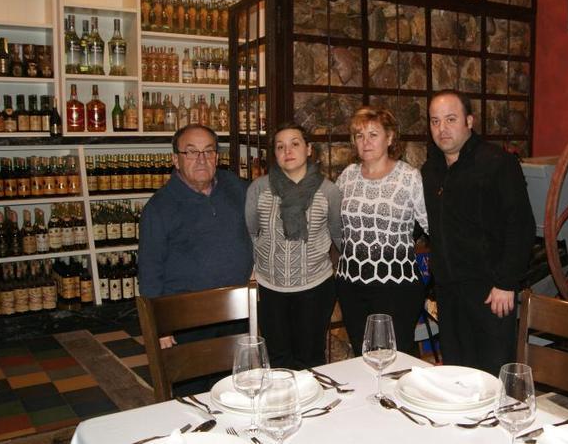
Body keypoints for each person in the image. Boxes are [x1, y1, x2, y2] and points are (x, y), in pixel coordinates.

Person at [421, 90, 535, 375]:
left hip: (491, 293)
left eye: (450, 119)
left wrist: (507, 282)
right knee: (457, 375)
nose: (442, 128)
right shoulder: (430, 169)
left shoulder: (497, 163)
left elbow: (521, 226)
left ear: (469, 121)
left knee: (493, 376)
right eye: (435, 121)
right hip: (449, 293)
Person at [138, 124, 254, 355]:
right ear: (175, 159)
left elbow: (265, 221)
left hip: (238, 310)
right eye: (191, 152)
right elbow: (149, 270)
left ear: (216, 157)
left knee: (240, 381)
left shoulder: (237, 188)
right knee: (193, 385)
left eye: (208, 151)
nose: (201, 159)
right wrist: (159, 326)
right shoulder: (159, 208)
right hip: (187, 318)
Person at [245, 123, 342, 369]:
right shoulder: (258, 188)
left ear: (309, 149)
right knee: (277, 360)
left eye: (295, 144)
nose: (287, 151)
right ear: (275, 154)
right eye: (280, 146)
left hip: (315, 288)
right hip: (270, 288)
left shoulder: (328, 191)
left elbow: (338, 236)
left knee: (311, 359)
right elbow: (251, 231)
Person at [336, 106, 429, 357]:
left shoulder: (409, 177)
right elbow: (335, 226)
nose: (365, 142)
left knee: (397, 357)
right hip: (351, 283)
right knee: (361, 355)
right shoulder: (347, 177)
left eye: (373, 134)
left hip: (396, 285)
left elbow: (432, 227)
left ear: (389, 138)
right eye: (359, 136)